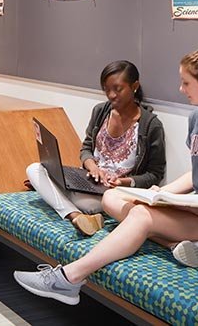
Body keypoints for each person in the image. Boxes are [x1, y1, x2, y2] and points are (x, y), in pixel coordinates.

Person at [14, 49, 198, 306]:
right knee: (112, 199)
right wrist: (159, 194)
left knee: (140, 215)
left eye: (186, 82)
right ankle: (176, 243)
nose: (181, 89)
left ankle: (68, 278)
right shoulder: (197, 118)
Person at [26, 61, 165, 236]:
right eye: (106, 89)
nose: (111, 95)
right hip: (90, 180)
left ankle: (74, 208)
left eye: (118, 89)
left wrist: (123, 182)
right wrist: (93, 167)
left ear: (134, 86)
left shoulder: (150, 125)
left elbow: (155, 174)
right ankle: (76, 215)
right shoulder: (101, 111)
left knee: (88, 204)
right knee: (34, 170)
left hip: (114, 192)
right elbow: (86, 148)